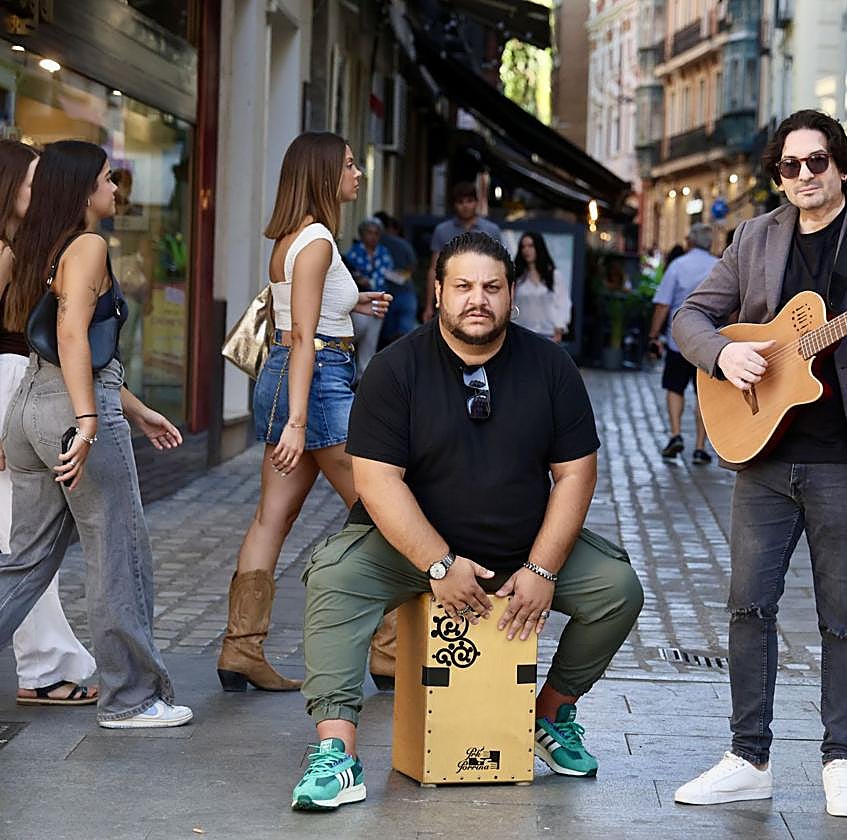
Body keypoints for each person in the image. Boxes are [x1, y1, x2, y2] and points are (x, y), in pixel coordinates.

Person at [290, 231, 643, 811]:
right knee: (332, 578)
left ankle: (547, 715)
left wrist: (543, 568)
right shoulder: (395, 367)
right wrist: (438, 563)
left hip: (520, 545)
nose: (477, 299)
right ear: (438, 293)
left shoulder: (551, 367)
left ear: (512, 297)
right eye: (463, 286)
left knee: (617, 590)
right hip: (410, 549)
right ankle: (337, 753)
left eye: (491, 287)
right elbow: (377, 481)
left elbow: (576, 475)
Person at [670, 110, 847, 817]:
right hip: (761, 451)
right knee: (747, 606)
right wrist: (724, 353)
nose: (803, 177)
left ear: (843, 167)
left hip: (842, 457)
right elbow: (690, 318)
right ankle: (747, 756)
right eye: (789, 167)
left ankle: (840, 759)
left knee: (843, 612)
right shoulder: (756, 237)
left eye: (816, 162)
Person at [0, 139, 189, 728]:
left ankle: (131, 693)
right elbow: (73, 335)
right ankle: (132, 699)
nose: (115, 189)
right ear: (84, 188)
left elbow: (55, 349)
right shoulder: (87, 245)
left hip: (30, 405)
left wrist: (130, 408)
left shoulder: (34, 245)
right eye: (108, 179)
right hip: (71, 414)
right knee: (118, 552)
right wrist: (89, 422)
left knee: (26, 558)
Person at [217, 132, 391, 694]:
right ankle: (389, 654)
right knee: (381, 511)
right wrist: (297, 423)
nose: (358, 172)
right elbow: (304, 337)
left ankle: (240, 651)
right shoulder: (316, 240)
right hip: (316, 384)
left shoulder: (291, 239)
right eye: (347, 164)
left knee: (272, 518)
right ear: (322, 174)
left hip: (290, 378)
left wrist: (355, 301)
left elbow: (298, 312)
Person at [0, 139, 97, 707]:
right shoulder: (8, 252)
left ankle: (46, 664)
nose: (40, 192)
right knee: (25, 544)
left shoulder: (22, 247)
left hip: (19, 386)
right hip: (10, 389)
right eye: (32, 181)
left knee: (22, 542)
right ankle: (43, 669)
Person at [647, 223, 719, 465]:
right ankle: (700, 446)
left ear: (689, 241)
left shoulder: (678, 266)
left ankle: (676, 434)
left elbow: (662, 304)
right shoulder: (719, 266)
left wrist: (653, 335)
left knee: (675, 388)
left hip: (679, 340)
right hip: (711, 342)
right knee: (706, 396)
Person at [421, 181, 502, 323]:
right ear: (454, 205)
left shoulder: (491, 230)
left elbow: (500, 268)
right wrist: (429, 305)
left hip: (484, 291)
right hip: (451, 292)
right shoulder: (442, 230)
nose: (465, 206)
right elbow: (434, 269)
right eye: (460, 202)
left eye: (469, 201)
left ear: (476, 202)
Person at [344, 217, 395, 378]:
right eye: (369, 233)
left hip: (378, 299)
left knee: (371, 341)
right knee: (356, 331)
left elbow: (388, 273)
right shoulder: (354, 251)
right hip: (360, 299)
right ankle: (348, 370)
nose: (372, 236)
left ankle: (363, 376)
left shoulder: (383, 252)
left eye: (376, 233)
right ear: (362, 234)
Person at [512, 230, 570, 342]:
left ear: (538, 247)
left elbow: (563, 303)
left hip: (549, 334)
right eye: (523, 247)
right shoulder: (517, 277)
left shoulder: (553, 275)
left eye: (530, 246)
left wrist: (559, 329)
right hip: (522, 335)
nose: (526, 250)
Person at [373, 210, 418, 345]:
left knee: (388, 338)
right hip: (406, 292)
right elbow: (412, 266)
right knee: (406, 336)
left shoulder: (375, 245)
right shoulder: (403, 244)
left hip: (385, 295)